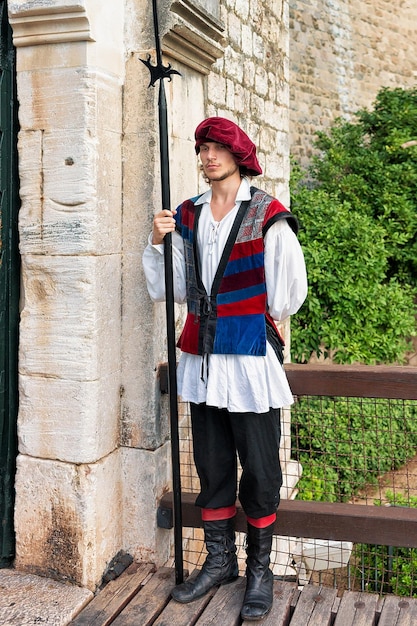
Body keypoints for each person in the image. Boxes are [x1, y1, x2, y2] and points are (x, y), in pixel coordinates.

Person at [142, 117, 307, 621]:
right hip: (201, 359)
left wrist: (249, 315)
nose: (209, 155)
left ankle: (260, 571)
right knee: (211, 465)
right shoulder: (187, 215)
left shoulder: (267, 215)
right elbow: (165, 287)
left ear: (239, 155)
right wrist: (157, 241)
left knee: (259, 471)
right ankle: (219, 563)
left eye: (218, 147)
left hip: (250, 360)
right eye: (203, 148)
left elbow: (287, 294)